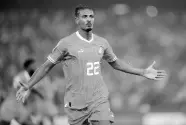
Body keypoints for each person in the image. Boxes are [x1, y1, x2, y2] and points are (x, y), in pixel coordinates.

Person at [16, 4, 167, 125]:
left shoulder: (102, 42)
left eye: (91, 16)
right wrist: (28, 85)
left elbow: (116, 63)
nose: (89, 19)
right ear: (77, 20)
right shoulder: (66, 44)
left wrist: (142, 72)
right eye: (84, 16)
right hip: (75, 103)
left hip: (98, 100)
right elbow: (46, 66)